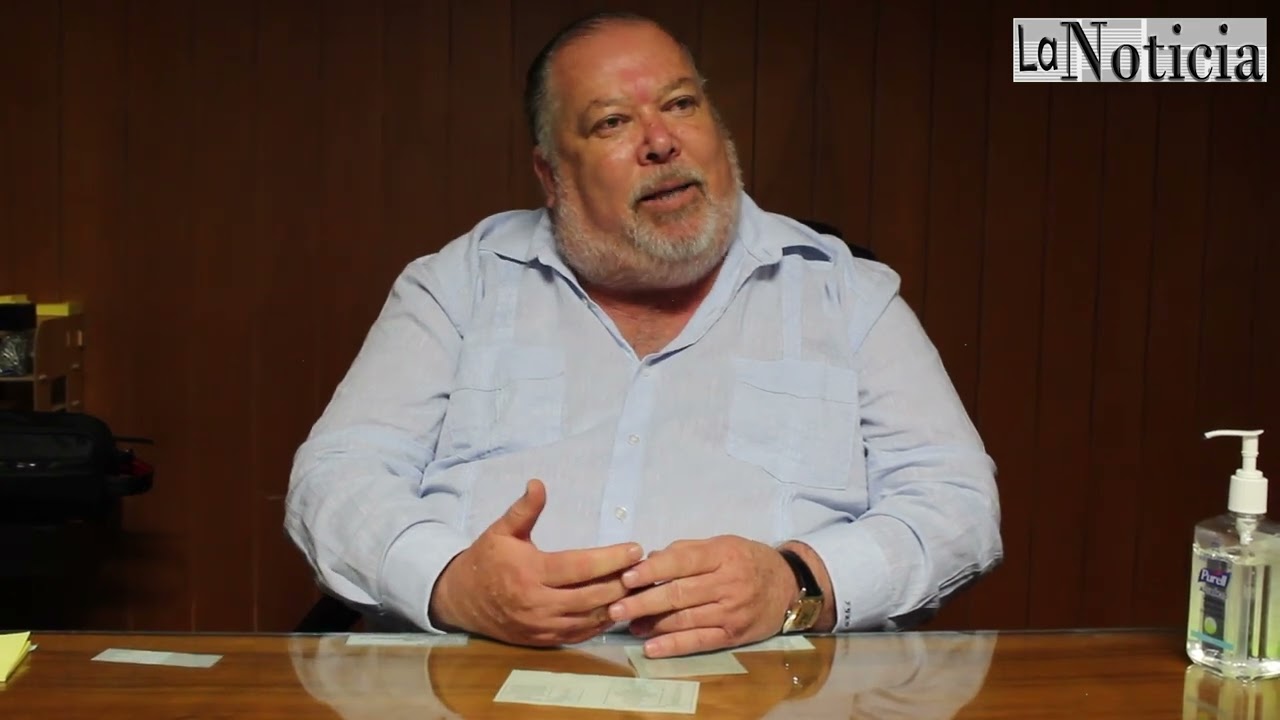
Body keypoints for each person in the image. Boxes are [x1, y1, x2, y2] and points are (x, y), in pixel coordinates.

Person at [285, 11, 1002, 660]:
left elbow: (956, 504)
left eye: (681, 104)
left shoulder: (847, 295)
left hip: (765, 698)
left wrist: (799, 582)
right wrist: (450, 582)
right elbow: (337, 477)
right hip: (478, 689)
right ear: (552, 175)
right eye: (611, 123)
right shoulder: (458, 285)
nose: (661, 141)